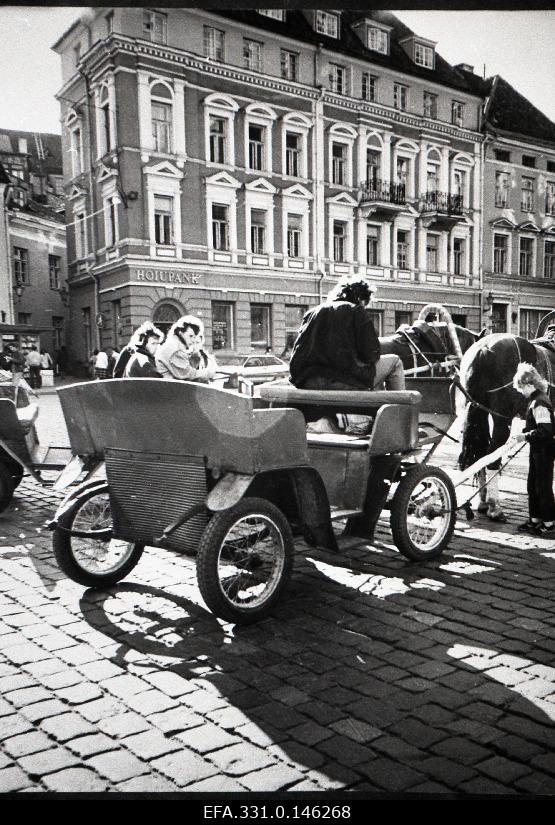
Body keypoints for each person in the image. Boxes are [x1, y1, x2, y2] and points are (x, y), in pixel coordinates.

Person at [290, 279, 405, 392]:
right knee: (395, 362)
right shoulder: (356, 310)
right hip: (343, 381)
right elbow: (372, 354)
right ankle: (401, 408)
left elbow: (297, 354)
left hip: (309, 382)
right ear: (361, 300)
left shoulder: (311, 313)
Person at [512, 363, 555, 536]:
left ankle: (549, 524)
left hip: (544, 451)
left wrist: (525, 436)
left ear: (529, 385)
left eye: (521, 388)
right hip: (538, 451)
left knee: (542, 487)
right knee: (533, 485)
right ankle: (536, 519)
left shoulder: (539, 403)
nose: (520, 392)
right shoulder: (536, 400)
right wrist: (526, 433)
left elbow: (545, 430)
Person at [155, 315, 216, 382]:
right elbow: (189, 375)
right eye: (190, 336)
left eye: (194, 337)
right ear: (180, 333)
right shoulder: (176, 350)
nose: (193, 340)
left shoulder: (172, 344)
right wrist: (208, 373)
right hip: (171, 388)